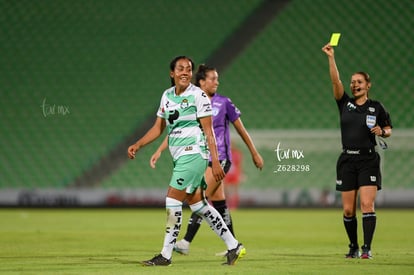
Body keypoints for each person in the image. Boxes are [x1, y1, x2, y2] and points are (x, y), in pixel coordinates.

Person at [127, 56, 245, 266]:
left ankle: (165, 255)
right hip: (180, 156)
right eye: (180, 69)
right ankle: (233, 245)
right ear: (172, 73)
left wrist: (215, 162)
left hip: (194, 154)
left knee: (172, 200)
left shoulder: (198, 95)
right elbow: (158, 128)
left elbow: (208, 131)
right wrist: (138, 144)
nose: (185, 72)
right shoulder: (167, 96)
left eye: (188, 69)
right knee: (198, 204)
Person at [150, 64, 264, 256]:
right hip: (201, 157)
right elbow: (178, 130)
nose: (216, 82)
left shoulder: (224, 102)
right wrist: (160, 149)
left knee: (198, 200)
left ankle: (186, 241)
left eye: (217, 78)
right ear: (201, 82)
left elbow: (241, 129)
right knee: (218, 202)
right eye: (212, 78)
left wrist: (254, 152)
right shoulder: (191, 101)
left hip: (217, 159)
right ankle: (234, 245)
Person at [322, 43, 392, 259]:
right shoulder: (345, 104)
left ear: (368, 85)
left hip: (368, 160)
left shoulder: (376, 107)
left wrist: (382, 131)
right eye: (353, 83)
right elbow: (336, 81)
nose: (355, 85)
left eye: (359, 82)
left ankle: (367, 249)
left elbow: (388, 129)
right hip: (347, 161)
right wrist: (331, 58)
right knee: (348, 211)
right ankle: (353, 246)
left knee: (366, 204)